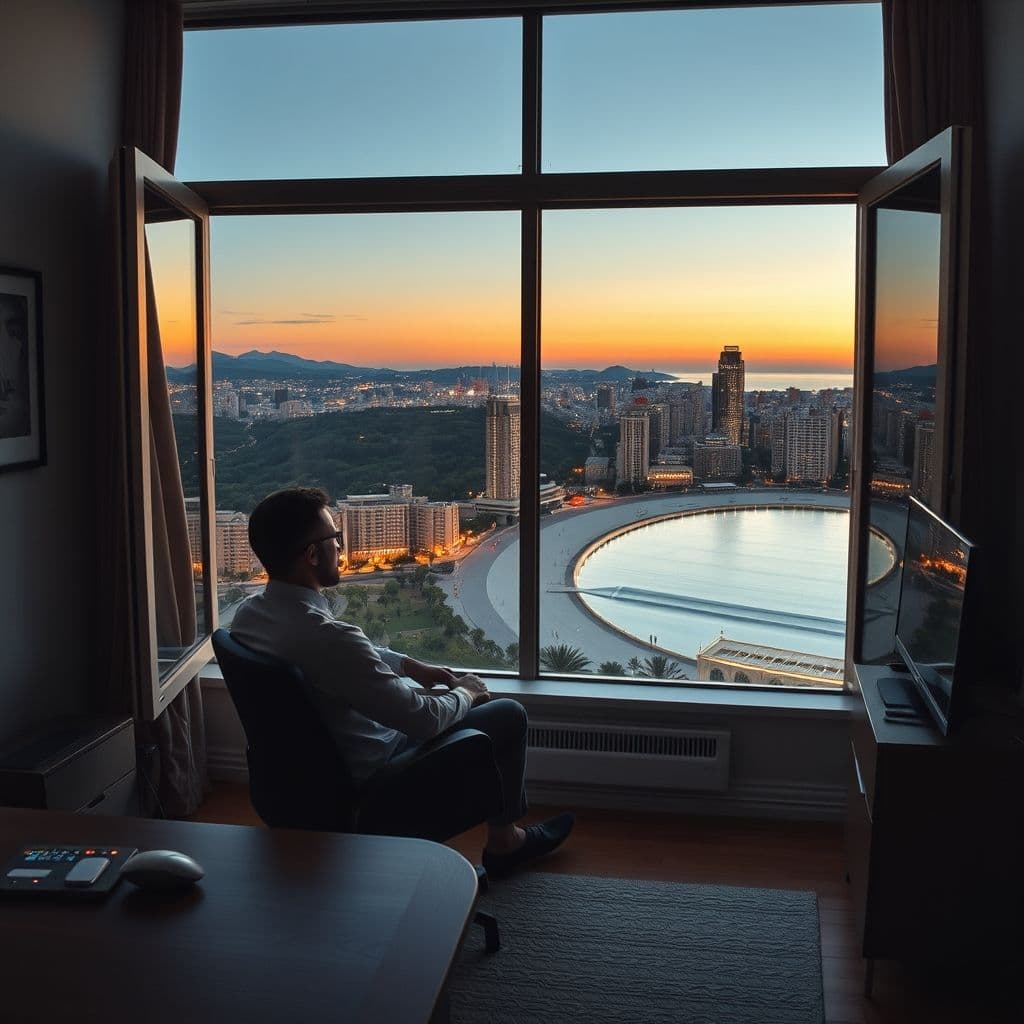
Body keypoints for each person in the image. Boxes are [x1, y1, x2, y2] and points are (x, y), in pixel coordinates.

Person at [231, 487, 573, 876]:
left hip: (294, 790)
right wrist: (466, 692)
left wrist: (410, 666)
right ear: (312, 554)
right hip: (373, 783)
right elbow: (422, 720)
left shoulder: (249, 617)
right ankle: (506, 842)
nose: (340, 549)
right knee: (509, 715)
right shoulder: (329, 638)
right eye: (335, 540)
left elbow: (339, 656)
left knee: (436, 700)